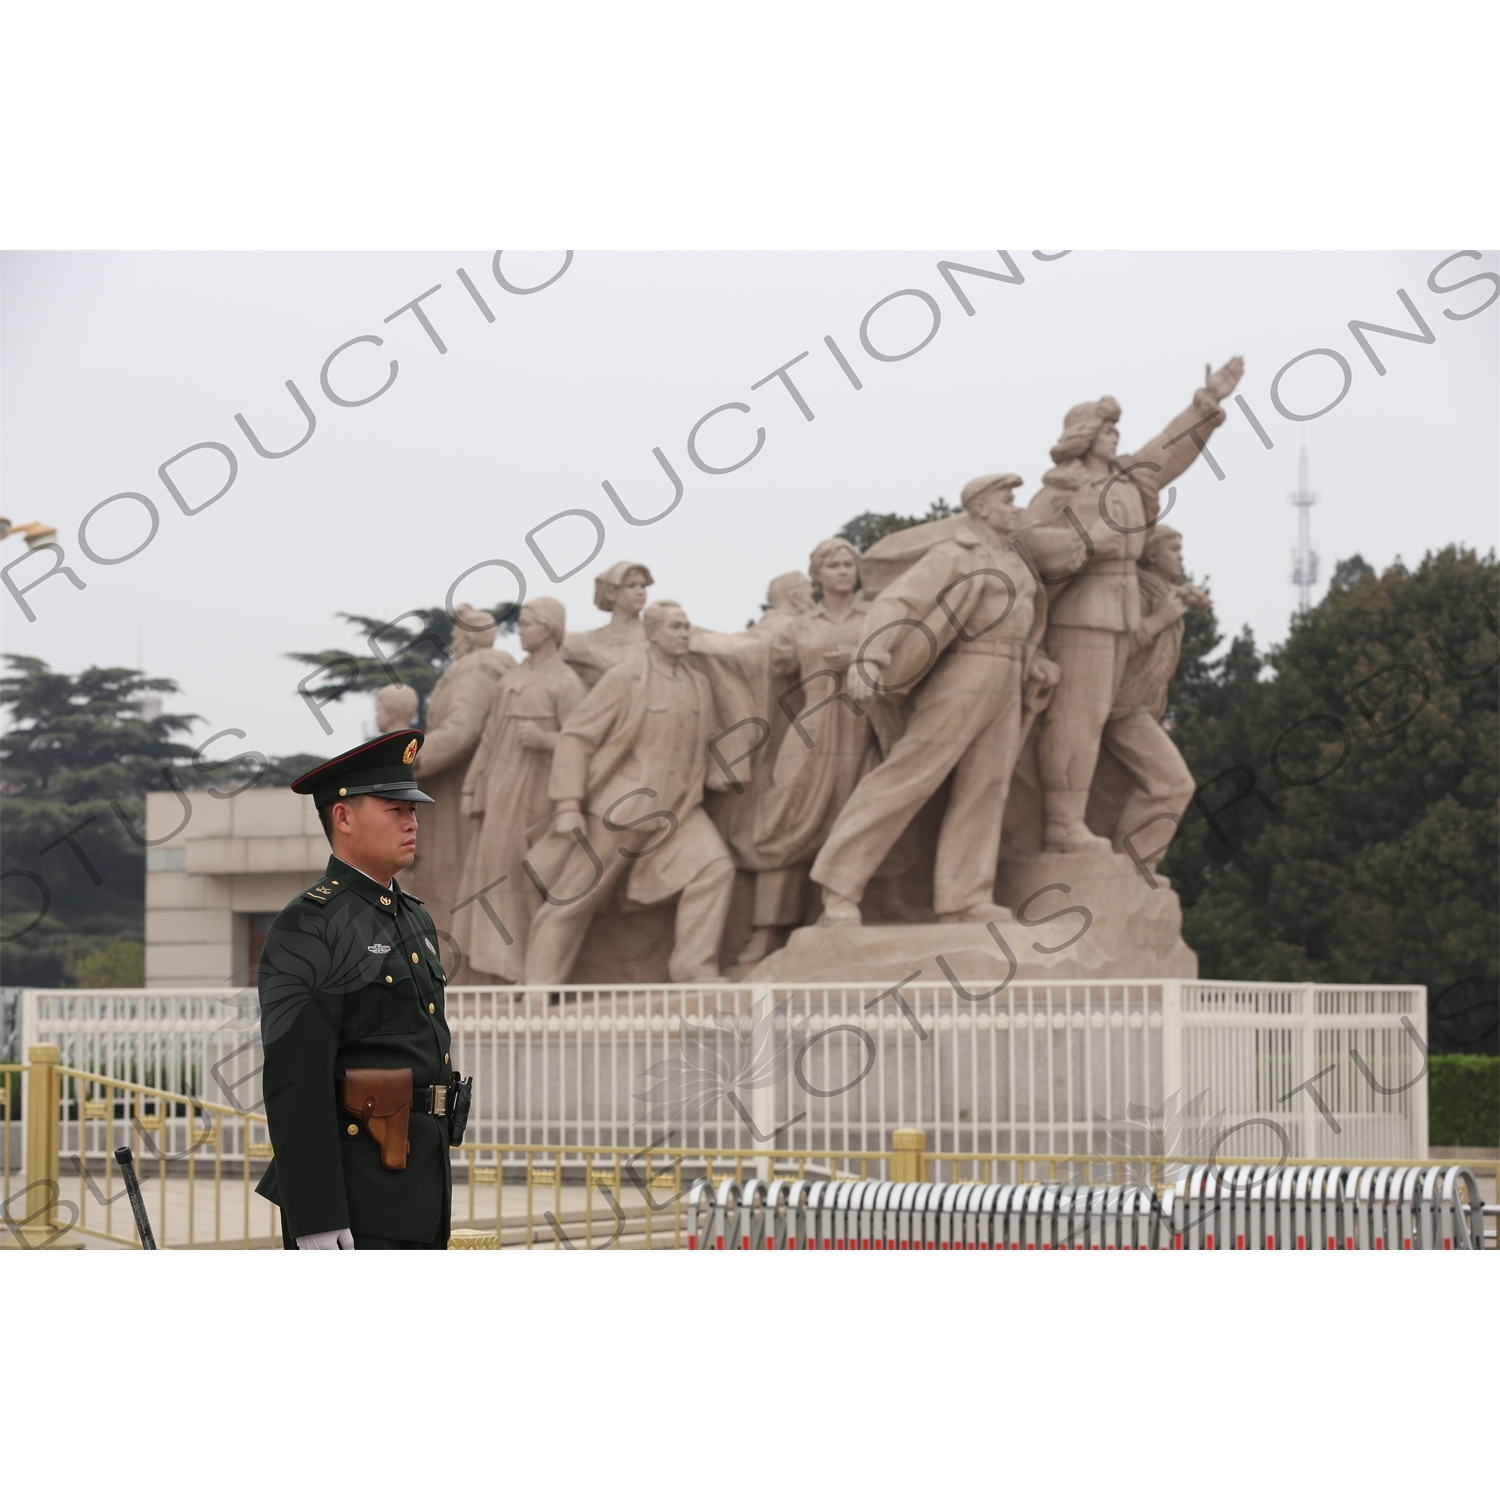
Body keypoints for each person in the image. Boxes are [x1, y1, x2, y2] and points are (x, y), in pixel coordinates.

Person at [809, 475, 1059, 926]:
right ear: (981, 507)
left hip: (1009, 677)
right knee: (908, 775)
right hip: (965, 672)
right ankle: (839, 887)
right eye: (1006, 500)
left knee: (986, 786)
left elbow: (1024, 616)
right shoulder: (954, 554)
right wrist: (870, 655)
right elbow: (896, 602)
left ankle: (964, 898)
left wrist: (1033, 658)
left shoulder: (1015, 559)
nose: (1014, 507)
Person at [1027, 358, 1243, 852]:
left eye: (1116, 430)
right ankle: (1062, 824)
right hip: (1080, 614)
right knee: (1076, 720)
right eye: (1105, 429)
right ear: (1084, 435)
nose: (1114, 437)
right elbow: (1027, 541)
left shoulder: (1128, 480)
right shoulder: (1060, 488)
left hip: (1121, 612)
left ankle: (1116, 845)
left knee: (1100, 719)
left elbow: (1170, 452)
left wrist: (1205, 404)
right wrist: (1085, 542)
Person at [255, 731, 454, 1250]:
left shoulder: (413, 918)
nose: (412, 821)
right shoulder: (311, 925)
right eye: (394, 809)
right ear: (343, 818)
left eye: (413, 809)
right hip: (356, 1197)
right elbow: (295, 1079)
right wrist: (316, 1212)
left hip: (419, 1185)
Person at [524, 601, 736, 984]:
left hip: (681, 810)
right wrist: (568, 804)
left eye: (687, 626)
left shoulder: (699, 684)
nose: (684, 633)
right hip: (622, 809)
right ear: (651, 633)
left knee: (715, 868)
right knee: (575, 898)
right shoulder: (625, 678)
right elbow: (577, 737)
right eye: (675, 626)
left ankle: (693, 970)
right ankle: (538, 988)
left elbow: (709, 739)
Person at [741, 537, 876, 959]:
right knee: (785, 821)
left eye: (848, 563)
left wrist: (859, 658)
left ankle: (833, 914)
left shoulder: (873, 617)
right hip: (810, 726)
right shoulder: (798, 627)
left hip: (861, 727)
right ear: (817, 574)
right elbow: (763, 663)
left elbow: (904, 658)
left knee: (849, 821)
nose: (842, 570)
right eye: (833, 564)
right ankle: (767, 928)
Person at [453, 598, 585, 981]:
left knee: (522, 878)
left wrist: (547, 740)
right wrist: (471, 787)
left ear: (549, 629)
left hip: (538, 792)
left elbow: (583, 744)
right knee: (491, 875)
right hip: (498, 792)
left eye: (528, 624)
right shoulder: (508, 680)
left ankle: (529, 970)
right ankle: (500, 969)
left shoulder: (566, 683)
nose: (521, 630)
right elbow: (490, 739)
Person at [405, 604, 514, 931]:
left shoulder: (476, 671)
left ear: (468, 637)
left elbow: (462, 731)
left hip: (458, 797)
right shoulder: (473, 669)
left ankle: (452, 971)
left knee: (449, 888)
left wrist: (409, 760)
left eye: (457, 631)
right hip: (455, 791)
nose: (452, 636)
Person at [561, 560, 653, 690]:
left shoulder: (655, 635)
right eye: (631, 586)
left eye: (643, 586)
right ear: (611, 593)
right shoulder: (586, 642)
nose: (640, 592)